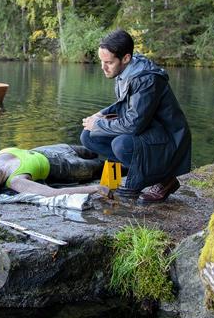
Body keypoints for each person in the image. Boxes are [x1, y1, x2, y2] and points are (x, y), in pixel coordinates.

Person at [80, 29, 191, 203]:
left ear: (125, 58)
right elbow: (127, 105)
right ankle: (115, 180)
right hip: (150, 131)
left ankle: (164, 178)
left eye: (108, 62)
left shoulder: (147, 80)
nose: (103, 67)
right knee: (88, 136)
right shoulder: (126, 70)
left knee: (120, 144)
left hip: (168, 141)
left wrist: (99, 124)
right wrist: (101, 114)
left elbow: (133, 125)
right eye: (101, 61)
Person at [0, 143, 107, 206]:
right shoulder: (16, 182)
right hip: (66, 167)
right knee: (106, 163)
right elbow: (52, 193)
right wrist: (95, 189)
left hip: (50, 149)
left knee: (94, 147)